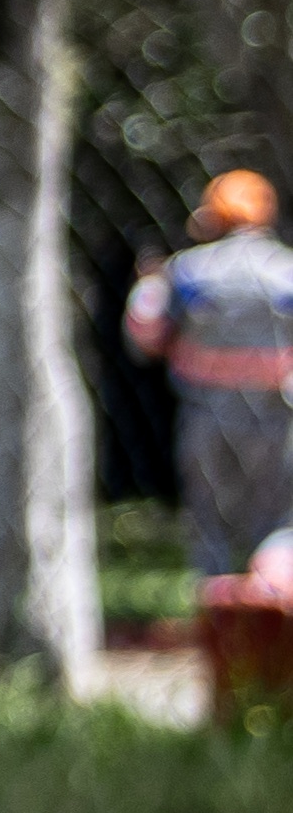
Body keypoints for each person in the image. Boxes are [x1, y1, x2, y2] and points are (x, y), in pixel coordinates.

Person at [123, 170, 293, 577]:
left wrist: (146, 286)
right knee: (278, 520)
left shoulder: (187, 272)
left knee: (209, 521)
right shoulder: (286, 270)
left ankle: (215, 616)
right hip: (277, 414)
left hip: (206, 412)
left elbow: (145, 336)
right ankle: (272, 613)